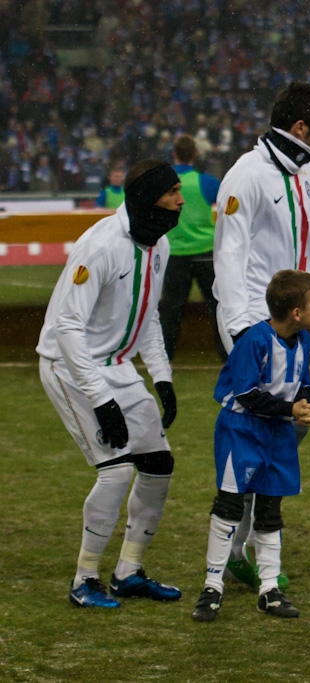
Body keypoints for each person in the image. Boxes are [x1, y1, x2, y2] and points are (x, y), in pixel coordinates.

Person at [212, 81, 310, 589]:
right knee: (258, 443)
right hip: (257, 335)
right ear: (300, 129)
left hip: (295, 332)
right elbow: (229, 265)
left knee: (291, 433)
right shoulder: (244, 177)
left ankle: (241, 548)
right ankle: (234, 553)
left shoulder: (306, 171)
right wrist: (246, 340)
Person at [37, 159, 184, 608]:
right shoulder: (99, 246)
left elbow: (150, 317)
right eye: (173, 192)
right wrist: (101, 401)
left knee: (158, 466)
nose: (181, 201)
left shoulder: (160, 245)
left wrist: (161, 377)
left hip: (118, 366)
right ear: (146, 199)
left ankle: (129, 572)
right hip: (69, 365)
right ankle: (85, 579)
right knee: (117, 469)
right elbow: (67, 328)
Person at [191, 270, 310, 622]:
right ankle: (211, 586)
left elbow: (302, 382)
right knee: (230, 505)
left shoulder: (304, 341)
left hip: (276, 432)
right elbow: (247, 395)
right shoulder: (255, 340)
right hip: (242, 430)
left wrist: (304, 402)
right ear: (296, 313)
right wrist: (289, 409)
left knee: (270, 509)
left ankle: (268, 589)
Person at [159, 134, 225, 362]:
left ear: (174, 154)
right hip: (205, 251)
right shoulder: (206, 182)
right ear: (196, 155)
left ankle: (165, 356)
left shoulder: (166, 183)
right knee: (217, 306)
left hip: (175, 253)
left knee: (171, 309)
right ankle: (226, 353)